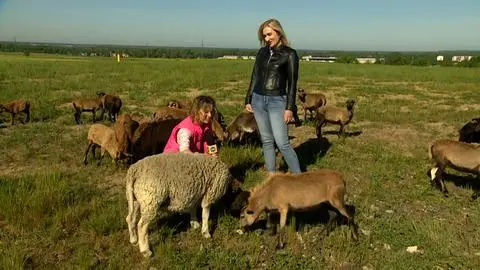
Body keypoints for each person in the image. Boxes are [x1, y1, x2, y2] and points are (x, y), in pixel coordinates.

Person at [244, 18, 301, 174]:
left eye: (269, 34)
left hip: (277, 101)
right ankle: (271, 178)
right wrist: (248, 98)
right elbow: (255, 76)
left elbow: (292, 83)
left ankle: (299, 178)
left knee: (282, 143)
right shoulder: (262, 52)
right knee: (267, 140)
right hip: (258, 100)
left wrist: (290, 107)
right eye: (264, 37)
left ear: (278, 32)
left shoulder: (290, 54)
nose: (267, 39)